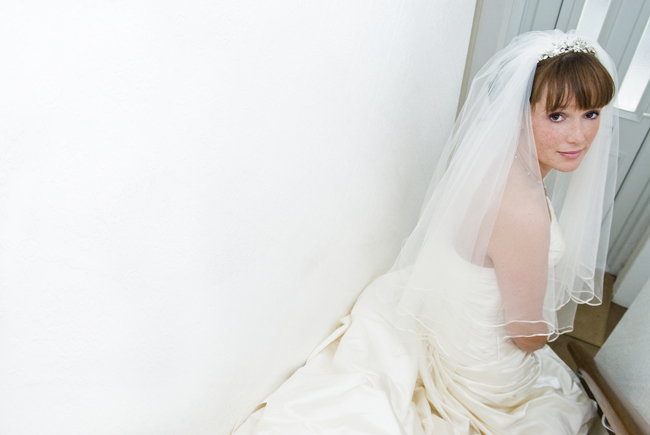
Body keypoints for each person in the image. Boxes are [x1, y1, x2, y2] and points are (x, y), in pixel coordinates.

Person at [232, 30, 618, 435]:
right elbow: (524, 335)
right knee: (556, 396)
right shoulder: (524, 213)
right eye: (557, 115)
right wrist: (542, 343)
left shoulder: (490, 165)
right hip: (484, 372)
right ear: (517, 112)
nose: (579, 135)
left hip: (454, 331)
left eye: (590, 113)